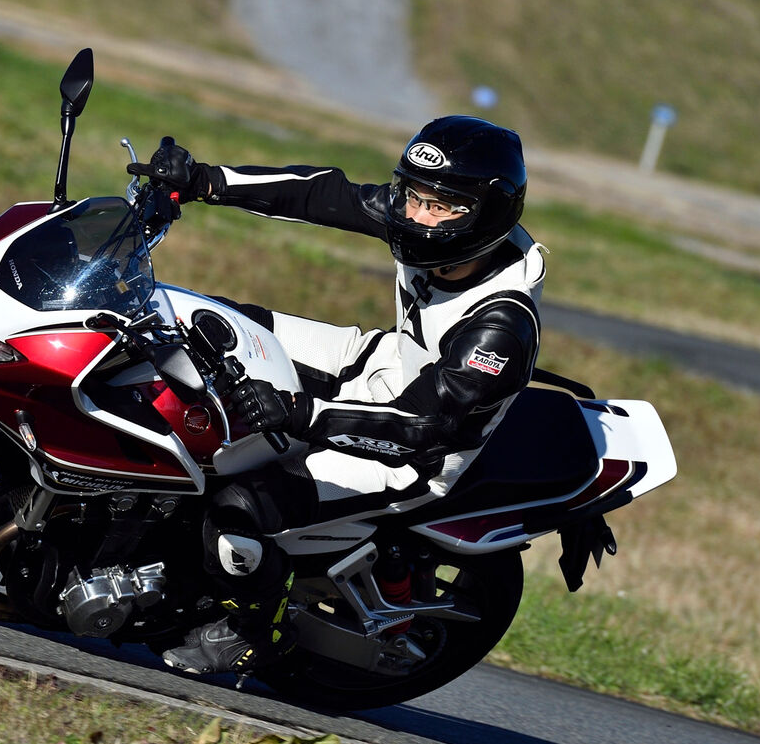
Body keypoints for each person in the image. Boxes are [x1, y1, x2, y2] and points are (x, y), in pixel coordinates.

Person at [128, 116, 547, 675]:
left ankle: (257, 630)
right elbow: (326, 194)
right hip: (374, 365)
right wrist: (205, 180)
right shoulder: (421, 222)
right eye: (412, 196)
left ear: (486, 215)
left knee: (237, 512)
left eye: (442, 207)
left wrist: (298, 413)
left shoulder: (500, 328)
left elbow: (420, 426)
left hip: (411, 456)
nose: (417, 216)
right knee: (201, 323)